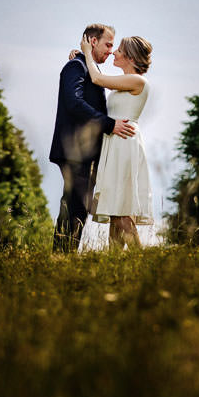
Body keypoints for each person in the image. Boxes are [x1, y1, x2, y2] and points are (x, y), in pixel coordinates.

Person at [50, 23, 135, 252]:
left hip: (85, 152)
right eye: (108, 44)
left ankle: (62, 257)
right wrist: (110, 125)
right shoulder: (75, 67)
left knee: (77, 208)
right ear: (93, 42)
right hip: (73, 150)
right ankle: (60, 258)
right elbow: (74, 103)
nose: (110, 50)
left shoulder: (87, 67)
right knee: (73, 207)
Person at [79, 33, 154, 249]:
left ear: (130, 57)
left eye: (119, 50)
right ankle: (114, 265)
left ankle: (143, 263)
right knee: (116, 208)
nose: (114, 53)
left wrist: (86, 53)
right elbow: (99, 78)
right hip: (117, 141)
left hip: (124, 142)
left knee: (121, 211)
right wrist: (84, 59)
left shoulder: (137, 80)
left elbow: (98, 79)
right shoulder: (125, 81)